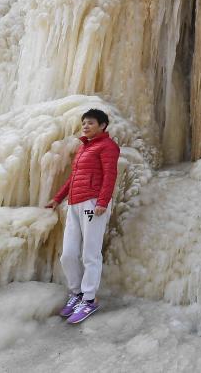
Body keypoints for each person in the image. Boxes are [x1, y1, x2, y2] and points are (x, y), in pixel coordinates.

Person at [45, 108, 120, 323]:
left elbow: (110, 175)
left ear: (103, 126)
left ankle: (89, 300)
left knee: (90, 253)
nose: (85, 126)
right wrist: (57, 198)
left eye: (90, 123)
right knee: (68, 254)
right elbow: (74, 178)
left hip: (92, 203)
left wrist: (103, 202)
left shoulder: (108, 146)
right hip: (75, 204)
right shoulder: (84, 148)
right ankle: (76, 293)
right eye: (84, 123)